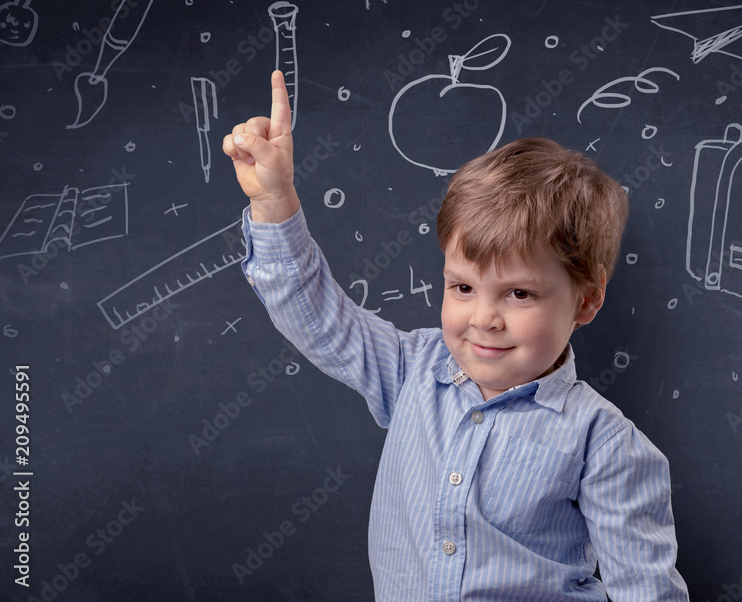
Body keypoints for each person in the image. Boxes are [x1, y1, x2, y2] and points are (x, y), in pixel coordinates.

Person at [223, 70, 688, 601]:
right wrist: (273, 200)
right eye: (463, 287)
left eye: (519, 295)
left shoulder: (603, 443)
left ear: (586, 299)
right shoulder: (411, 369)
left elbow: (646, 591)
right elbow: (317, 317)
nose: (483, 318)